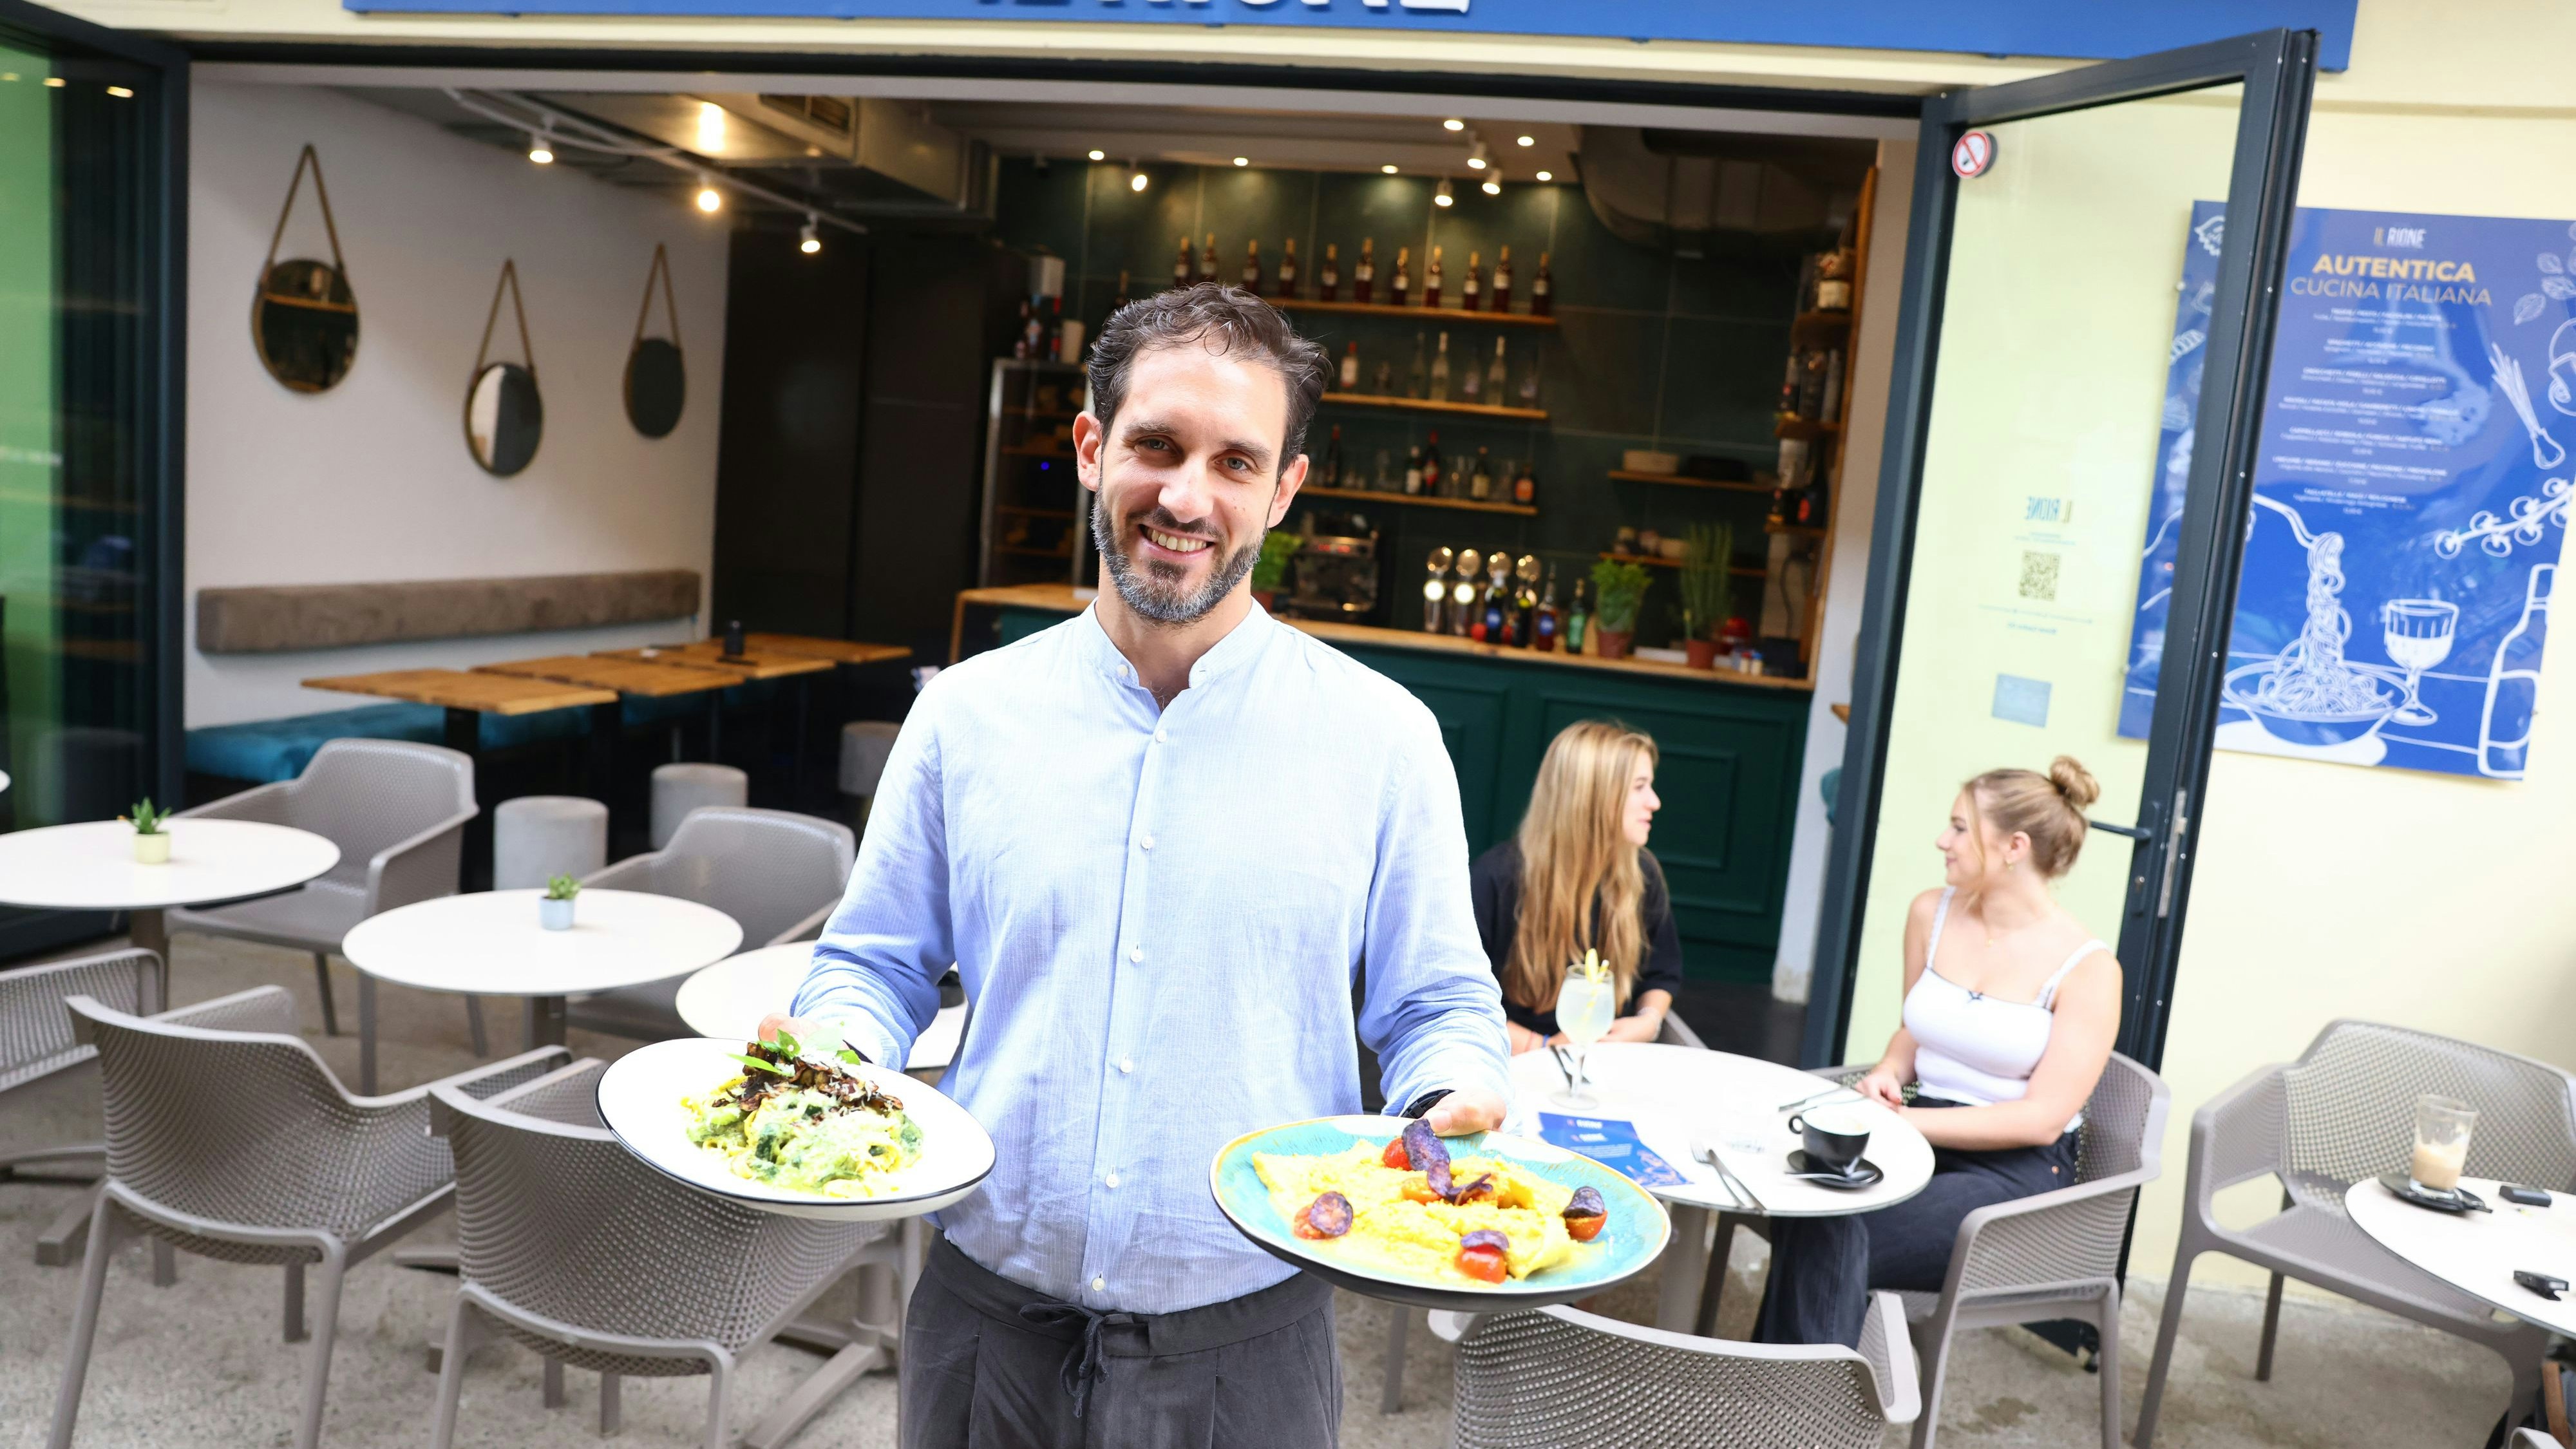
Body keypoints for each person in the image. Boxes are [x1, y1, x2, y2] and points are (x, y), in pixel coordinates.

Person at [760, 283, 1511, 1448]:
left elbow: (1438, 1004)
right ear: (1091, 446)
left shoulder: (1384, 738)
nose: (1186, 496)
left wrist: (1453, 1082)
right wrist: (829, 1052)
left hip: (1247, 1348)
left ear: (1284, 491)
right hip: (982, 1326)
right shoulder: (966, 715)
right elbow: (874, 964)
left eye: (1235, 462)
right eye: (1156, 446)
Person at [1756, 756, 2121, 1349]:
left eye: (1958, 827)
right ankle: (1794, 1405)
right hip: (1917, 1137)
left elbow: (2042, 1118)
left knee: (1837, 1231)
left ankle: (1796, 1412)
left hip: (2012, 1172)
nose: (1941, 841)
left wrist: (1904, 1120)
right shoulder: (1932, 912)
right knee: (1805, 1201)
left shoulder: (2088, 969)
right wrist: (1886, 1073)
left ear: (2014, 846)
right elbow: (1916, 1031)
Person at [1469, 719, 1682, 1053]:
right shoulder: (1496, 878)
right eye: (1639, 787)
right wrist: (1541, 1046)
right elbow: (1460, 1002)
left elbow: (1662, 974)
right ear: (1595, 795)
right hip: (1507, 1064)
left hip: (1607, 1061)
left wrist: (1647, 1021)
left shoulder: (1643, 873)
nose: (1654, 802)